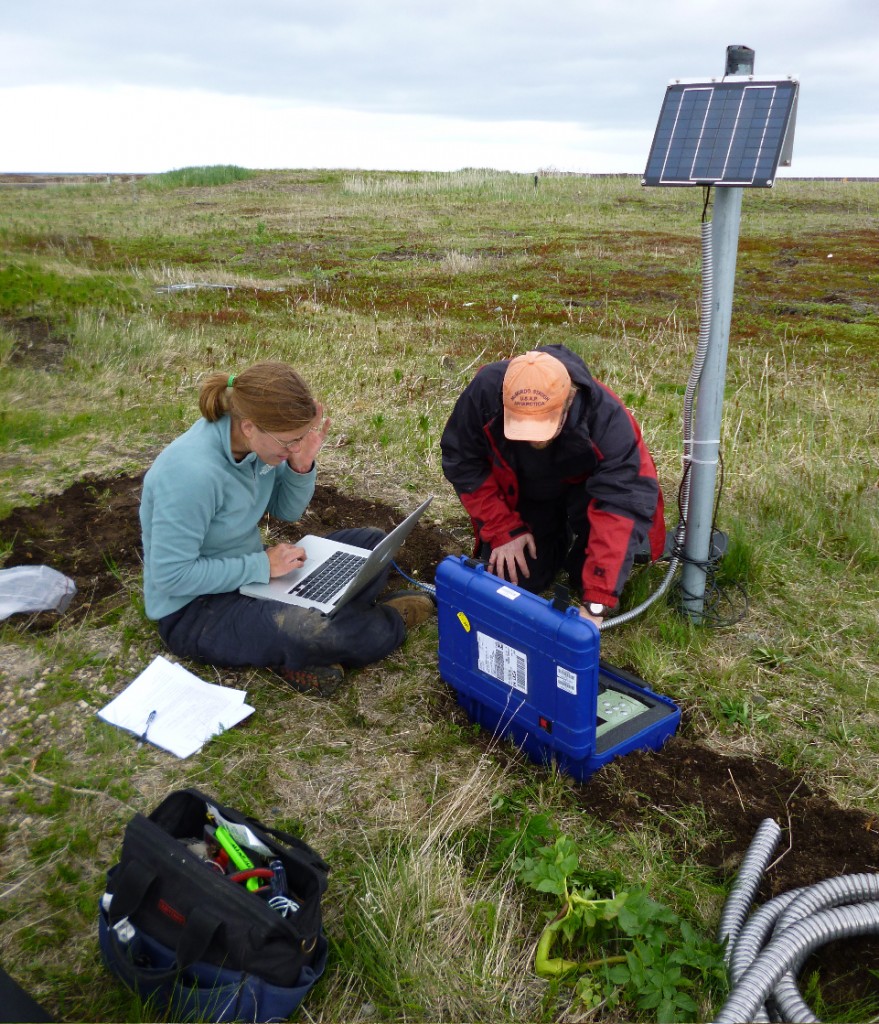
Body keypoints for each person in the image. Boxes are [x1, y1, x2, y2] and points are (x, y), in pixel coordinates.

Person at [139, 361, 435, 696]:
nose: (294, 447)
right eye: (288, 442)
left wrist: (300, 465)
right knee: (311, 630)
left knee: (369, 544)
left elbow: (287, 510)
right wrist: (261, 566)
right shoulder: (189, 475)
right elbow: (171, 576)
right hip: (196, 609)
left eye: (301, 437)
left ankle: (319, 623)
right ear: (250, 426)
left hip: (252, 577)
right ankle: (383, 622)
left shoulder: (260, 448)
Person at [440, 344, 665, 626]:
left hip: (590, 495)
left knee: (592, 581)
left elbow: (623, 503)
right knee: (515, 578)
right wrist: (502, 529)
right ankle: (556, 537)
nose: (533, 440)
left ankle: (580, 541)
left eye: (544, 425)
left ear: (568, 400)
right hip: (528, 490)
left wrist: (597, 600)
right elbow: (461, 459)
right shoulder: (485, 393)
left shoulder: (607, 419)